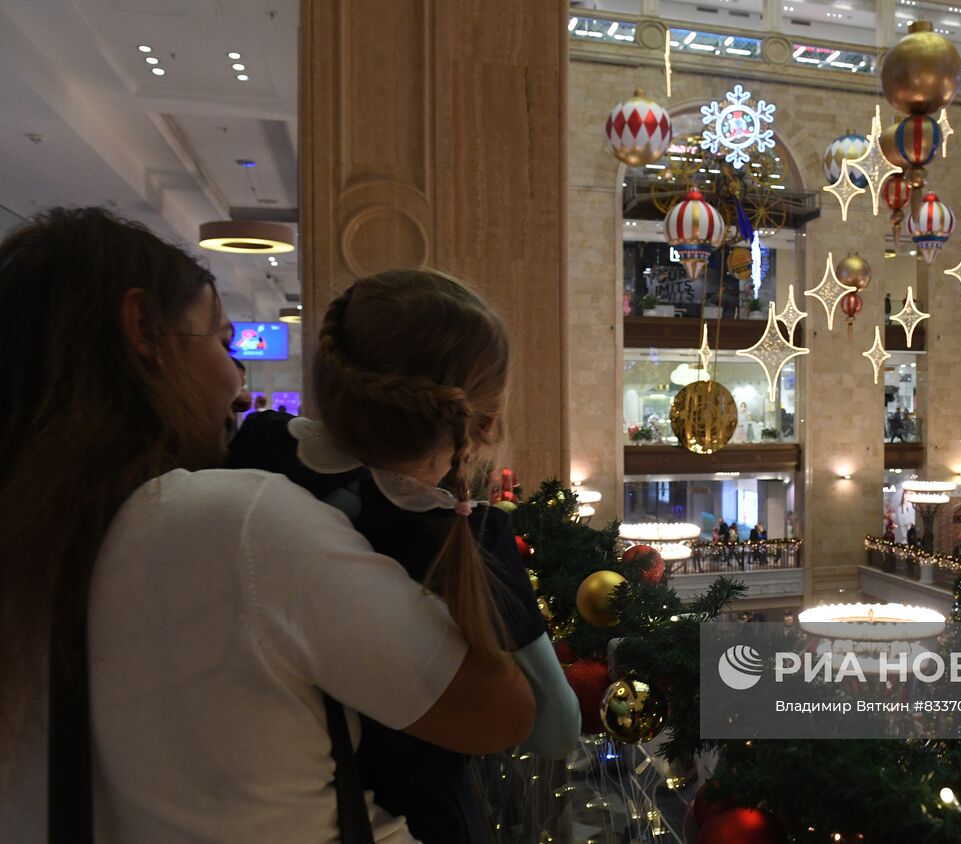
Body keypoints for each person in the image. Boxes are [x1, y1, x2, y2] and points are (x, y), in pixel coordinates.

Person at [0, 208, 535, 841]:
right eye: (222, 342)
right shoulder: (234, 523)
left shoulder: (41, 528)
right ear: (142, 328)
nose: (238, 383)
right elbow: (500, 712)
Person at [228, 270, 580, 843]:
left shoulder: (260, 447)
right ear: (485, 424)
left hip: (258, 798)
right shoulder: (467, 536)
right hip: (416, 823)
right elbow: (555, 727)